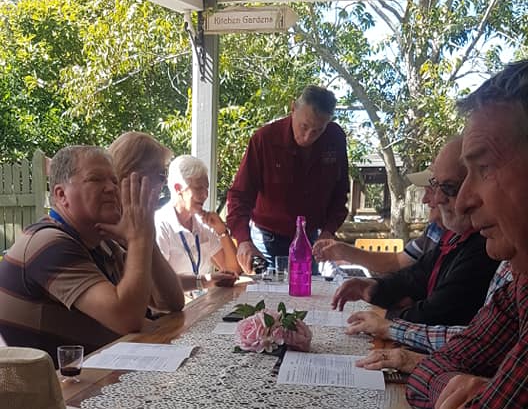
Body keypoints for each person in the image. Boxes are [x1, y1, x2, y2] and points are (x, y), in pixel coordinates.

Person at [405, 60, 528, 409]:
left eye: (484, 168)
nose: (462, 200)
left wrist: (469, 402)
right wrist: (452, 389)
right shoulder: (519, 281)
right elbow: (434, 364)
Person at [0, 144, 184, 360]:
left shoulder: (103, 244)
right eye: (96, 179)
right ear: (61, 195)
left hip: (93, 372)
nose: (111, 188)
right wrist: (139, 238)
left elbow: (170, 302)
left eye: (114, 181)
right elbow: (127, 319)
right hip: (52, 381)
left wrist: (147, 239)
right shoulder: (49, 244)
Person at [331, 136, 497, 327]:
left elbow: (438, 313)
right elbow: (416, 276)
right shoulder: (453, 236)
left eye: (449, 188)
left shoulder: (485, 244)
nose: (435, 199)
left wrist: (388, 319)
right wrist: (375, 288)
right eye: (436, 186)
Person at [226, 85, 349, 273]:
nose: (308, 136)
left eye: (317, 130)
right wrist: (243, 240)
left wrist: (328, 231)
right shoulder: (265, 139)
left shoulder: (335, 139)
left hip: (309, 239)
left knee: (306, 290)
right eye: (304, 126)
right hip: (266, 238)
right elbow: (239, 195)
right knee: (266, 291)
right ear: (293, 108)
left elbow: (340, 194)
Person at [354, 259, 513, 374]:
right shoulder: (506, 262)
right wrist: (378, 289)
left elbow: (479, 343)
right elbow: (416, 275)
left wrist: (391, 326)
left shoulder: (482, 249)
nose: (478, 227)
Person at [313, 168, 443, 274]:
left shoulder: (453, 240)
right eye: (425, 191)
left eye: (431, 191)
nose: (424, 199)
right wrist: (343, 251)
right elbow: (397, 262)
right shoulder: (434, 230)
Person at [154, 154, 240, 292]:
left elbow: (233, 270)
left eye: (206, 188)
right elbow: (158, 283)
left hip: (202, 302)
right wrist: (203, 282)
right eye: (199, 188)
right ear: (178, 188)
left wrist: (222, 232)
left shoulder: (203, 223)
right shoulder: (160, 225)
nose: (205, 195)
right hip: (174, 304)